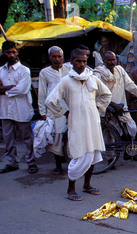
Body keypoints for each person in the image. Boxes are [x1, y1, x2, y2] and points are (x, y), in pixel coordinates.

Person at [45, 48, 112, 201]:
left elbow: (106, 94)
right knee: (78, 154)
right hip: (77, 122)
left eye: (84, 61)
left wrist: (98, 107)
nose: (81, 64)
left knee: (93, 153)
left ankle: (87, 185)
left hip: (93, 122)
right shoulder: (66, 81)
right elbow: (50, 101)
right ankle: (71, 189)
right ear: (71, 62)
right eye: (78, 61)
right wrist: (64, 112)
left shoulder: (92, 78)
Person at [94, 51, 137, 159]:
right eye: (109, 60)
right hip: (107, 108)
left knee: (132, 127)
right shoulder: (98, 73)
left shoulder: (120, 70)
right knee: (109, 136)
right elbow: (97, 93)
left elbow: (130, 85)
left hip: (122, 107)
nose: (111, 62)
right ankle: (110, 160)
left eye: (113, 59)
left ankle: (130, 151)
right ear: (104, 61)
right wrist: (113, 105)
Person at [0, 41, 38, 174]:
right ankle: (11, 162)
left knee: (27, 138)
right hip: (5, 110)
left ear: (17, 52)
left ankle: (31, 162)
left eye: (14, 52)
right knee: (8, 138)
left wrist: (4, 90)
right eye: (8, 52)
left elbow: (21, 90)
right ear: (4, 53)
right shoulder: (1, 70)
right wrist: (10, 88)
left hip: (21, 109)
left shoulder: (24, 70)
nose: (11, 55)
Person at [38, 46, 72, 175]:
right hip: (54, 109)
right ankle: (58, 165)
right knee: (57, 137)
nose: (57, 59)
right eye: (54, 56)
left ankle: (70, 162)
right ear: (49, 58)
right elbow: (42, 94)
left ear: (63, 58)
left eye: (59, 56)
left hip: (69, 107)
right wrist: (42, 113)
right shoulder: (44, 72)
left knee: (69, 136)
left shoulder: (69, 70)